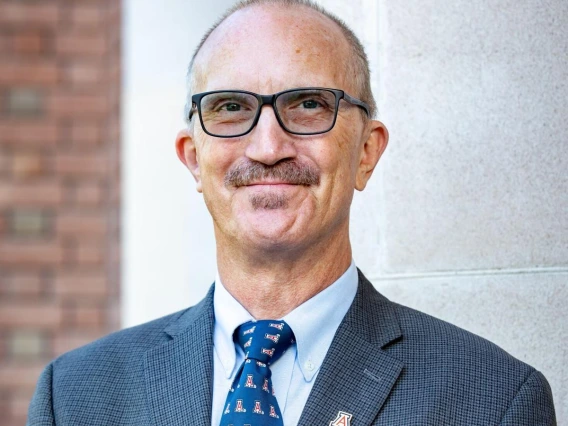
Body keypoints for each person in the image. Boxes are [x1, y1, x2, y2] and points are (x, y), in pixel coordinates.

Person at [27, 0, 556, 425]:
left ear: (366, 153)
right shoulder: (73, 398)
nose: (266, 147)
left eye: (307, 104)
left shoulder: (494, 400)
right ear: (193, 158)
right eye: (231, 107)